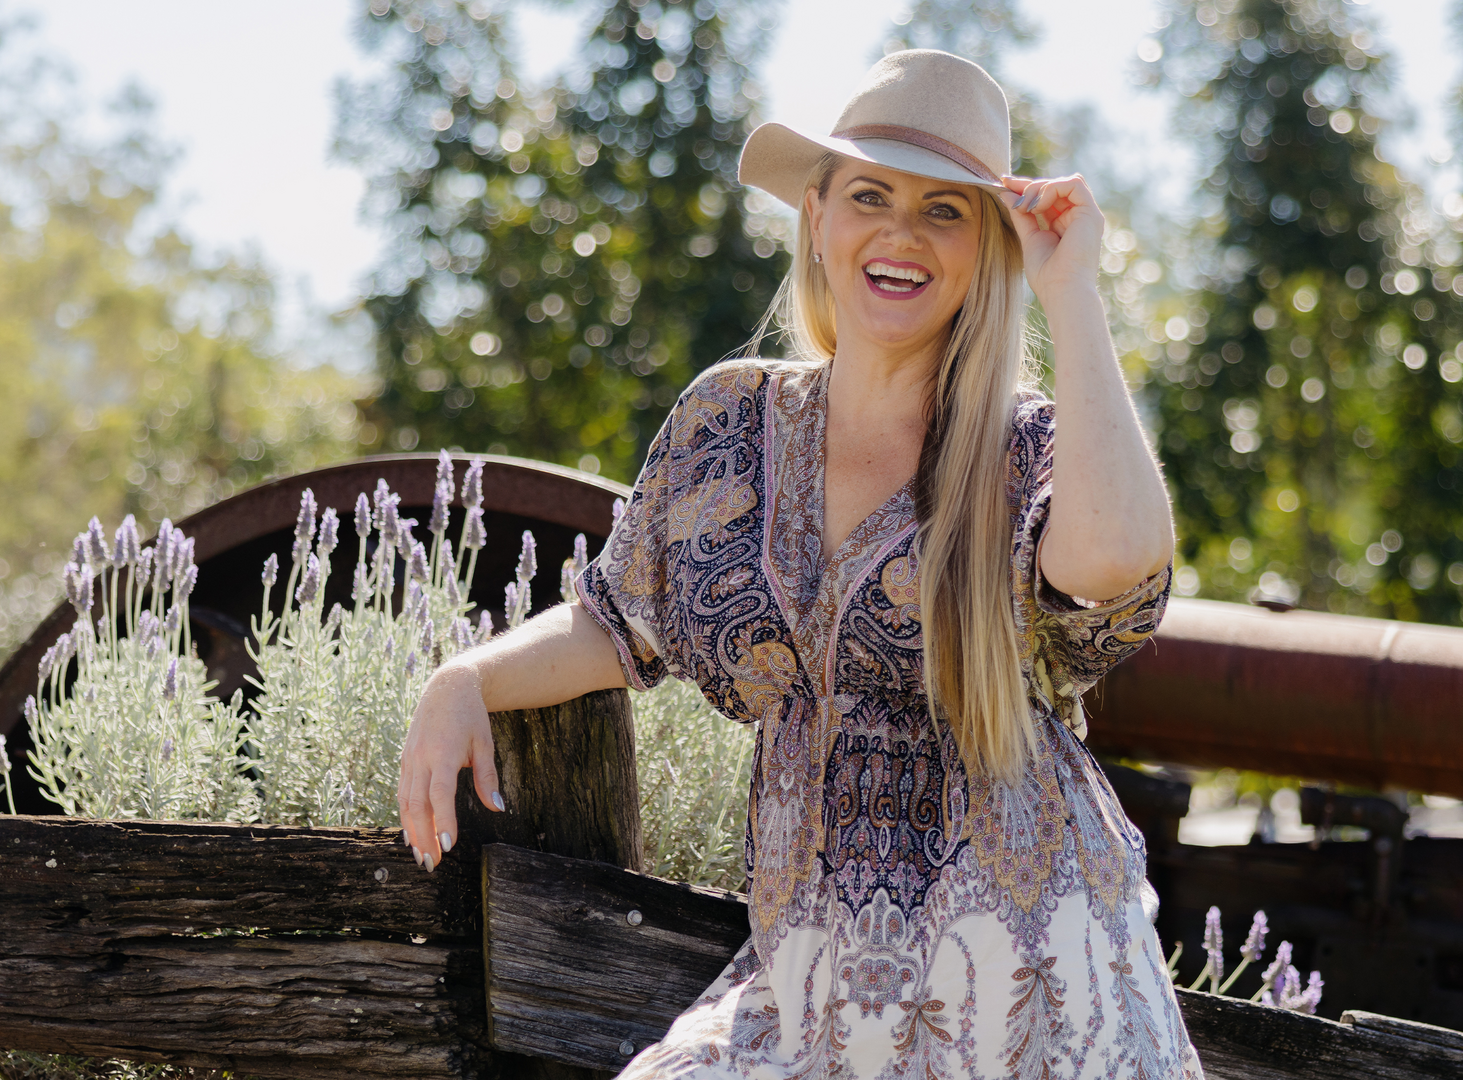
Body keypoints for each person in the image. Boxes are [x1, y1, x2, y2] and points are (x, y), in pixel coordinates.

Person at [396, 49, 1202, 1079]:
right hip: (815, 979)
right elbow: (616, 615)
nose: (901, 234)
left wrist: (1073, 292)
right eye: (870, 195)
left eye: (946, 211)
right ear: (817, 216)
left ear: (988, 250)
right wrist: (463, 676)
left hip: (1032, 980)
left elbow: (1116, 563)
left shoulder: (1023, 449)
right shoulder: (733, 420)